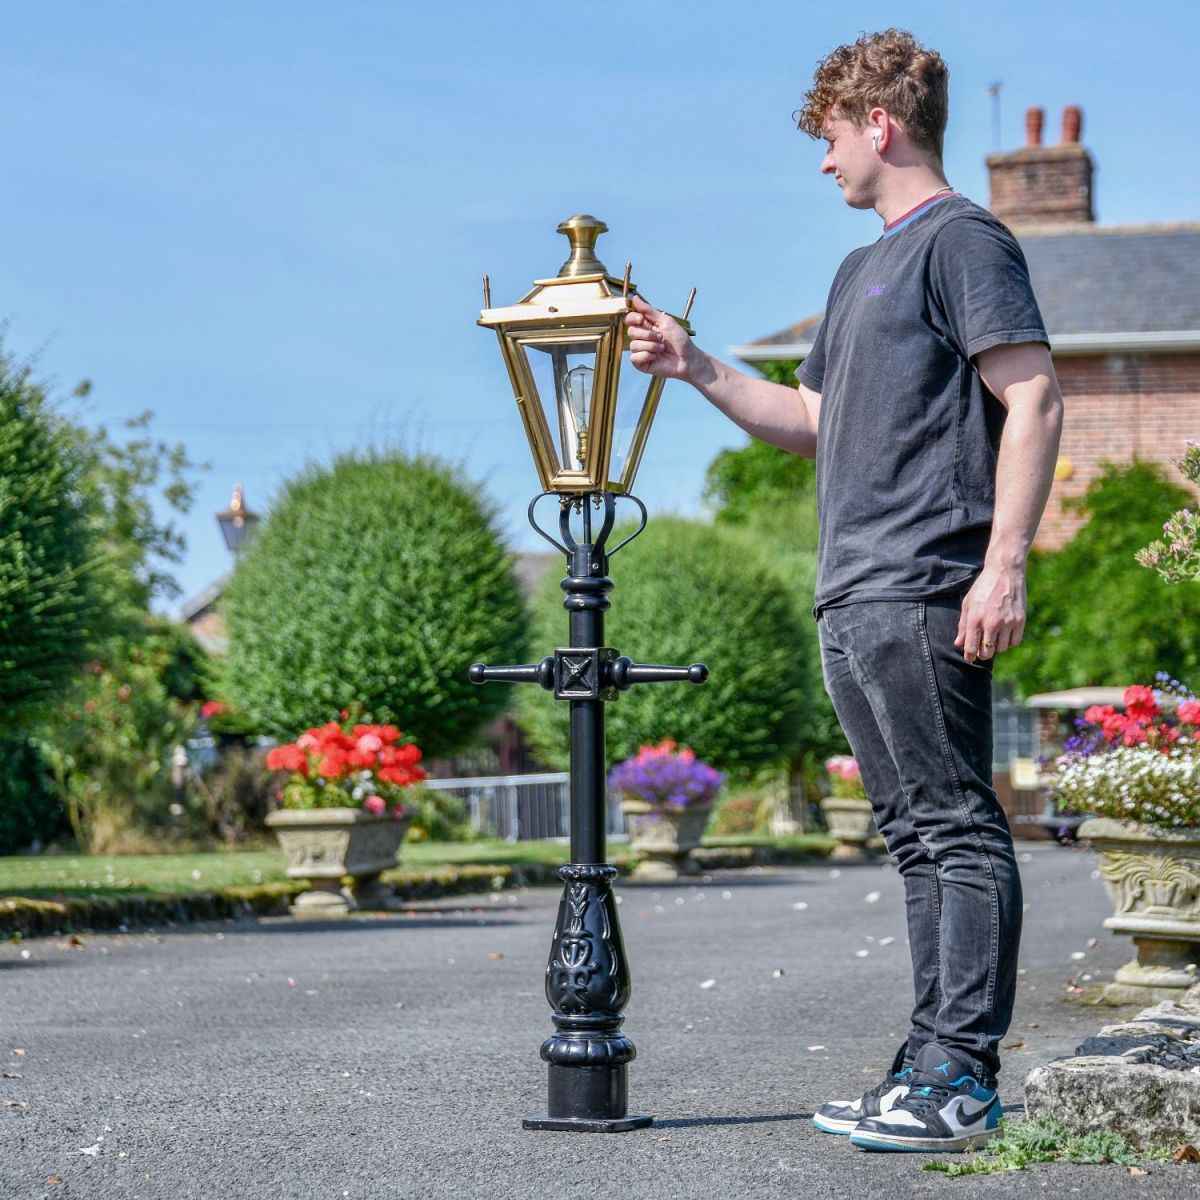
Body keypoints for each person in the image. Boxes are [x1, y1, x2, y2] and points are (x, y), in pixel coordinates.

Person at [626, 28, 1064, 1153]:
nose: (823, 163)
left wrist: (1002, 559)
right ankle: (928, 1058)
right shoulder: (858, 269)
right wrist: (693, 362)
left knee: (958, 827)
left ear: (882, 123)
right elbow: (813, 424)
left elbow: (1036, 398)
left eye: (830, 137)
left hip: (926, 580)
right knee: (916, 837)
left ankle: (962, 1079)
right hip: (855, 592)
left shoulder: (964, 242)